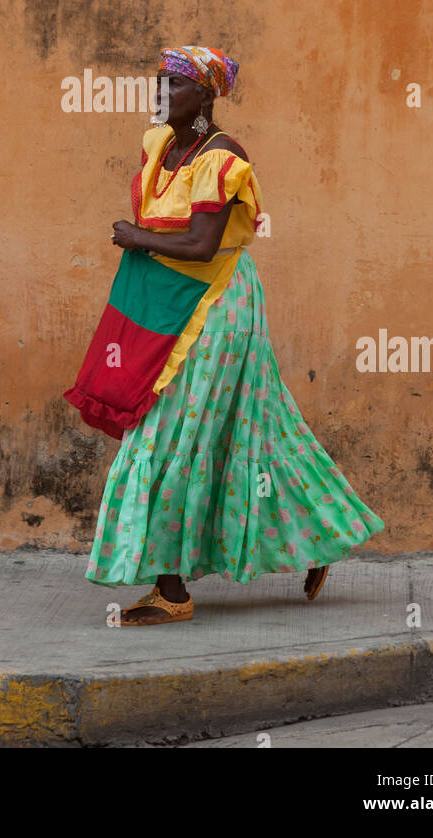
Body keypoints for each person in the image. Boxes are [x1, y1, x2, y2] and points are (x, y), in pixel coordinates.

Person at [64, 45, 385, 624]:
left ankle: (172, 593)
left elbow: (202, 245)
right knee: (255, 429)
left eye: (174, 87)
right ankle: (316, 535)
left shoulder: (223, 157)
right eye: (158, 84)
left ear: (206, 97)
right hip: (173, 302)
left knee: (165, 431)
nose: (160, 96)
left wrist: (136, 238)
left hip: (217, 308)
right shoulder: (162, 144)